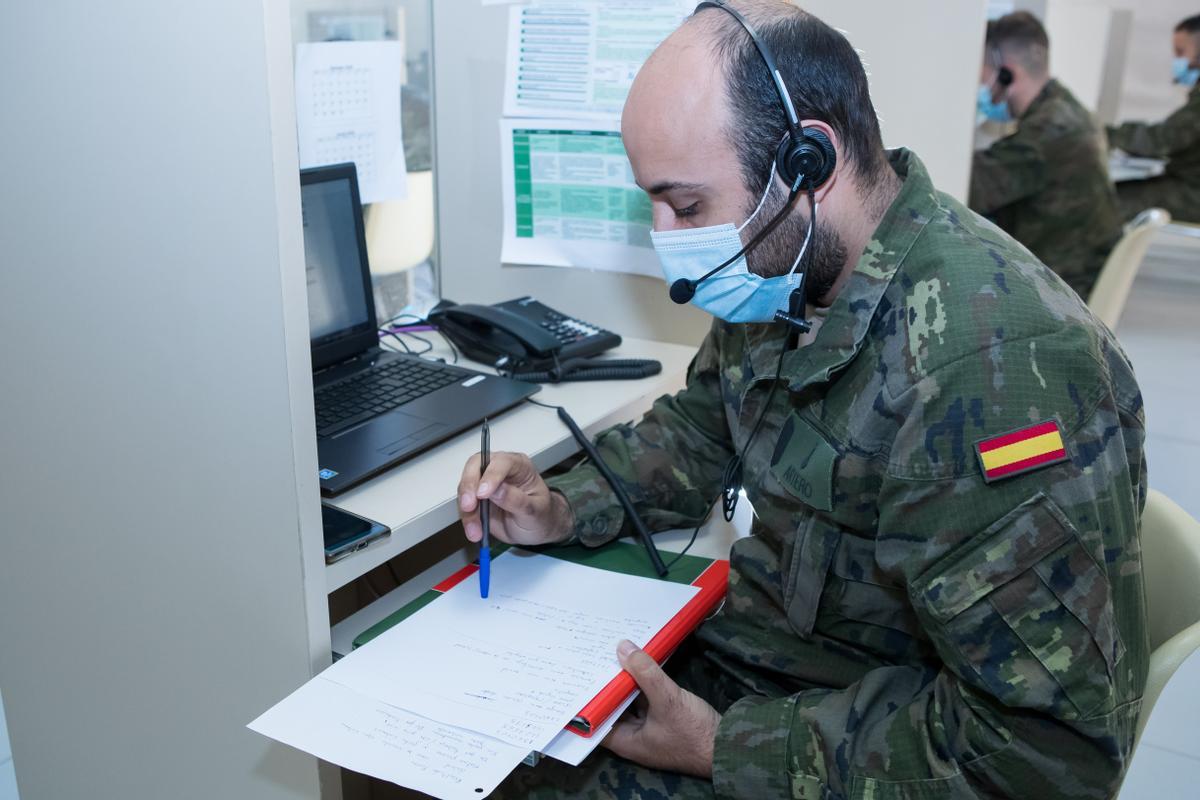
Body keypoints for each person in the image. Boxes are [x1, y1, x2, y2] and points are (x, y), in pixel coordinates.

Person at [457, 1, 1148, 797]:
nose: (669, 238)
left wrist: (723, 747)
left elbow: (1039, 757)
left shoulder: (994, 371)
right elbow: (705, 426)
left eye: (687, 207)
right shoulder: (786, 273)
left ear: (808, 163)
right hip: (766, 671)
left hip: (860, 748)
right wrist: (560, 507)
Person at [969, 12, 1121, 300]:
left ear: (1006, 73)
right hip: (1076, 266)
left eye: (980, 76)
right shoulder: (1064, 108)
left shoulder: (1050, 130)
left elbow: (971, 186)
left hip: (1062, 287)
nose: (977, 88)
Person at [1109, 14, 1200, 223]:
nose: (1177, 60)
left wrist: (1103, 133)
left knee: (1112, 200)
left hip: (1192, 193)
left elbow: (1161, 140)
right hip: (1188, 184)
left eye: (1180, 52)